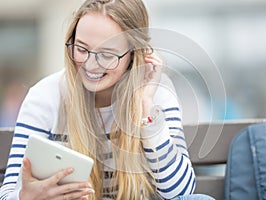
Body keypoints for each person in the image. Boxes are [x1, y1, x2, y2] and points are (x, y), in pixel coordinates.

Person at [0, 0, 214, 199]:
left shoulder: (157, 92)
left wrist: (146, 109)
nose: (91, 65)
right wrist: (25, 196)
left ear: (134, 55)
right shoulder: (45, 96)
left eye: (108, 54)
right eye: (82, 49)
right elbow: (8, 193)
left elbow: (180, 191)